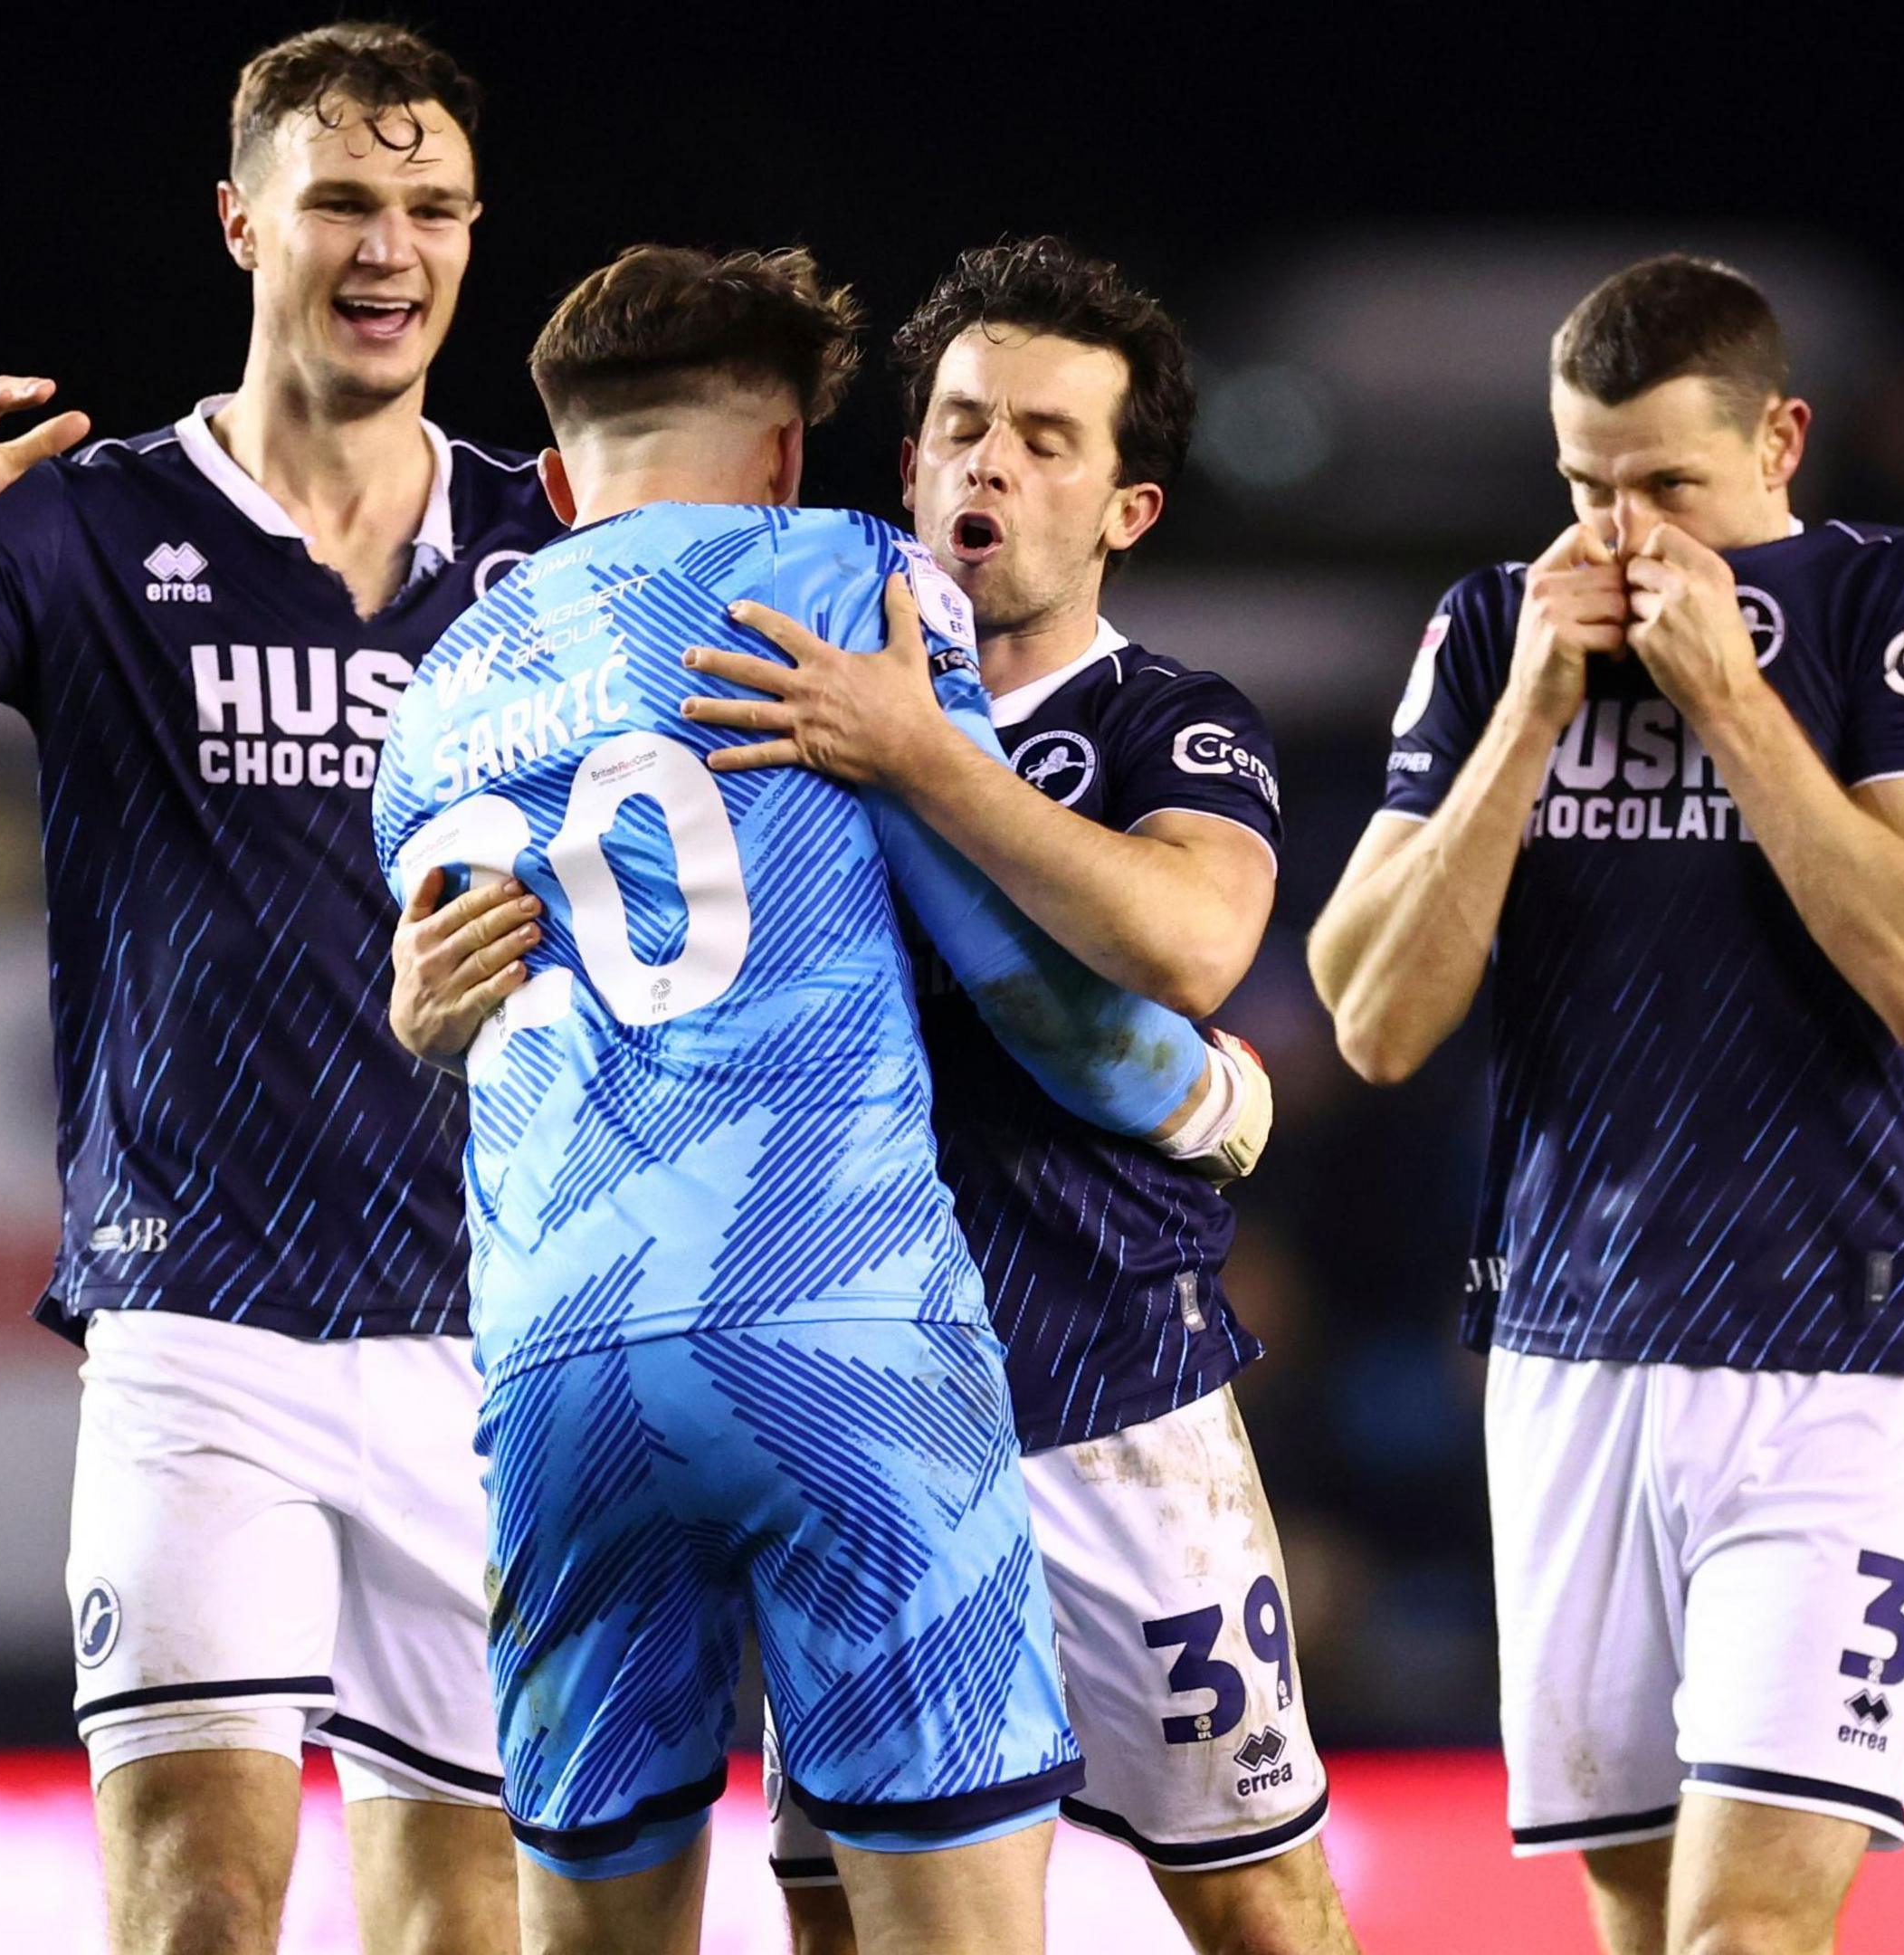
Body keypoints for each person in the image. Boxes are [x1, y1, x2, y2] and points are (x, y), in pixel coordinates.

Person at [0, 27, 549, 1954]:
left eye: (430, 208)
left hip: (491, 1342)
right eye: (342, 202)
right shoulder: (94, 529)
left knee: (470, 1925)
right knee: (199, 1916)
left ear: (475, 237)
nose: (387, 247)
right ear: (245, 225)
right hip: (197, 1333)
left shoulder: (548, 552)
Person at [370, 243, 1260, 1955]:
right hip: (838, 1336)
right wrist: (1209, 1107)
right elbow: (1037, 994)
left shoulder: (445, 683)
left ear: (557, 476)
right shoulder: (848, 578)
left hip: (556, 1367)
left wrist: (419, 1018)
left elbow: (454, 997)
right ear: (790, 452)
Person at [1307, 254, 1904, 1955]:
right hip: (1569, 1351)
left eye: (1665, 489)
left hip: (1840, 1345)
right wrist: (1532, 717)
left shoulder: (1893, 606)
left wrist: (1726, 695)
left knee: (1747, 1927)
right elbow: (1372, 1015)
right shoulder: (1497, 632)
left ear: (1780, 441)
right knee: (1640, 1921)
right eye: (1584, 487)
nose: (1619, 539)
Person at [666, 236, 1358, 1952]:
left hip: (1110, 1405)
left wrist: (922, 756)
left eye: (1050, 438)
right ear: (904, 465)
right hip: (859, 1422)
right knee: (842, 1926)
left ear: (1128, 509)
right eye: (962, 424)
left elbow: (1191, 942)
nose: (991, 461)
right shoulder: (779, 701)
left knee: (1263, 1909)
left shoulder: (1172, 722)